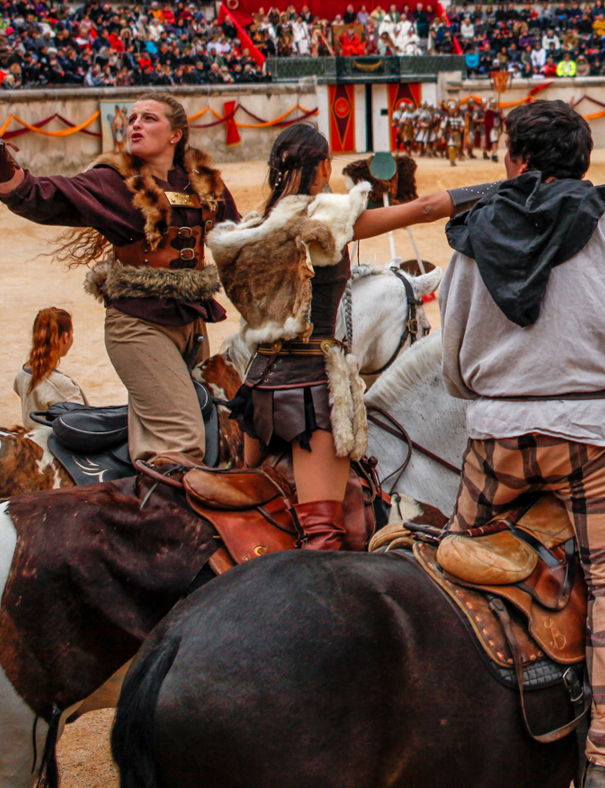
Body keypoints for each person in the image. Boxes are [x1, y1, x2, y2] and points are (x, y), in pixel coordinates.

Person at [438, 99, 605, 788]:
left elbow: (453, 362)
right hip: (598, 440)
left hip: (498, 441)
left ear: (514, 160)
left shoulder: (471, 233)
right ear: (583, 161)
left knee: (452, 565)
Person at [211, 124, 494, 550]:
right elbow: (424, 209)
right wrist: (499, 187)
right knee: (322, 534)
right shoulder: (326, 220)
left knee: (259, 505)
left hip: (256, 391)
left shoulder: (253, 231)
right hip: (309, 392)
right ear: (324, 166)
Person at [0, 94, 240, 465]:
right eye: (133, 117)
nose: (135, 123)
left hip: (193, 321)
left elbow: (238, 238)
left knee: (207, 421)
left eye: (149, 118)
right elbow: (36, 195)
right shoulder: (113, 182)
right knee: (179, 439)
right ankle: (163, 516)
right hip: (139, 326)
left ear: (176, 135)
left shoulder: (202, 183)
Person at [14, 306, 89, 426]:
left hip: (32, 439)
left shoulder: (23, 373)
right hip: (51, 443)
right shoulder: (61, 385)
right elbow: (83, 424)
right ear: (65, 338)